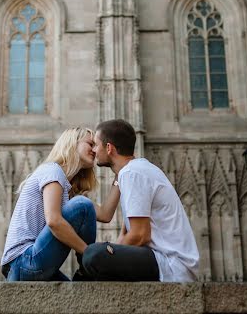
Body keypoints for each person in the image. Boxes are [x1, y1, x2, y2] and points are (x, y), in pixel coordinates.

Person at [82, 119, 199, 282]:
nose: (93, 150)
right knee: (93, 260)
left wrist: (110, 254)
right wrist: (113, 252)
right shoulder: (134, 170)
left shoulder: (133, 173)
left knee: (93, 255)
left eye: (95, 144)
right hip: (163, 261)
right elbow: (126, 232)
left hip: (170, 266)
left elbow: (140, 235)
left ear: (109, 148)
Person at [1, 127, 120, 281]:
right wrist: (89, 253)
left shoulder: (65, 189)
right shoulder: (53, 171)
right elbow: (54, 221)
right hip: (23, 261)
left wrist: (120, 173)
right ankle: (88, 269)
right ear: (72, 143)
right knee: (83, 205)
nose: (95, 150)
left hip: (24, 266)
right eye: (90, 144)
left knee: (77, 299)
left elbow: (105, 214)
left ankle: (86, 273)